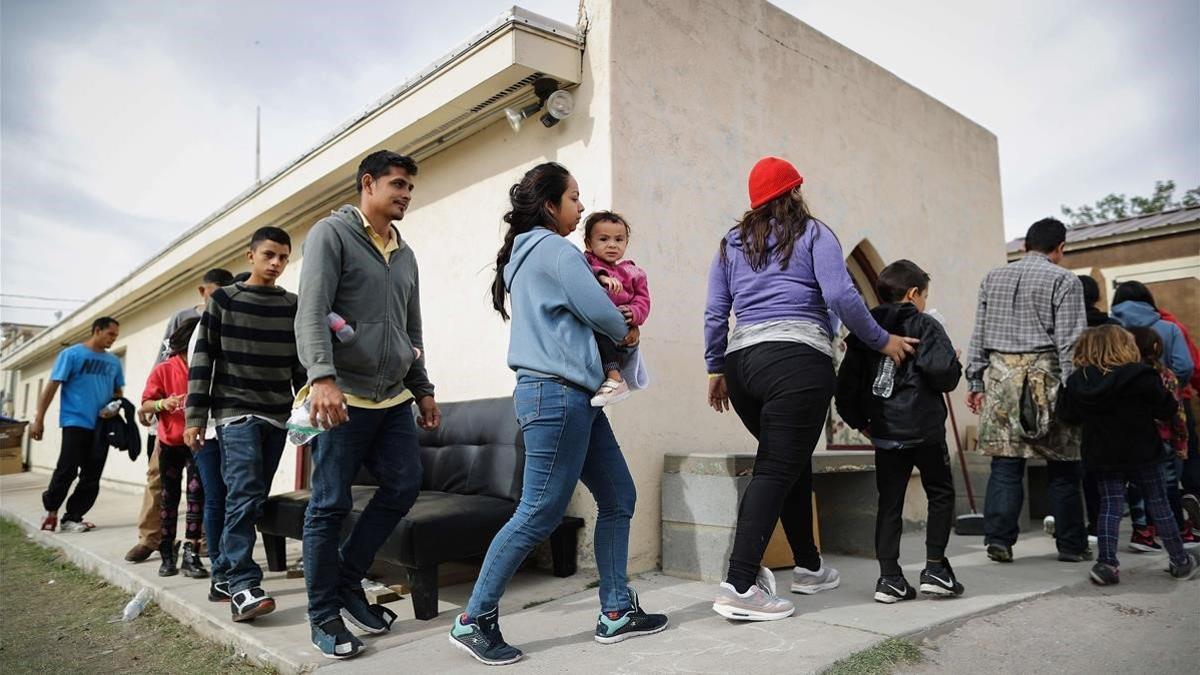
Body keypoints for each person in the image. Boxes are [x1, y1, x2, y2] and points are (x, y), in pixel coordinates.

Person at [448, 162, 666, 666]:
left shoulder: (524, 256)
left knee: (617, 496)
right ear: (550, 205)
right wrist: (627, 324)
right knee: (540, 511)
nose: (582, 206)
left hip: (574, 398)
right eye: (574, 197)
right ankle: (473, 619)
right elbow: (608, 315)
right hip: (556, 395)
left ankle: (615, 611)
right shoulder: (555, 251)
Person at [704, 156, 917, 621]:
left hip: (743, 367)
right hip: (796, 361)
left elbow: (716, 311)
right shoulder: (814, 233)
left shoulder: (730, 243)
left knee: (790, 462)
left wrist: (714, 368)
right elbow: (842, 295)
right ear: (794, 190)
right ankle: (739, 585)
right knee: (777, 468)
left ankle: (809, 566)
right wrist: (882, 340)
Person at [295, 151, 441, 660]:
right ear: (368, 183)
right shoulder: (330, 235)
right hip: (342, 395)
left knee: (403, 486)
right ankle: (323, 615)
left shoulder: (405, 253)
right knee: (329, 504)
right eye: (398, 184)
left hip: (393, 395)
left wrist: (422, 388)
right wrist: (322, 377)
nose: (405, 194)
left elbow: (411, 329)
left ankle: (348, 581)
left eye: (410, 188)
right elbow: (310, 311)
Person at [185, 227, 305, 622]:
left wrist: (306, 414)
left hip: (277, 414)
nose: (276, 264)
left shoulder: (292, 305)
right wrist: (195, 419)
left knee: (252, 497)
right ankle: (243, 585)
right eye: (269, 255)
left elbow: (299, 366)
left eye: (283, 257)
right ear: (250, 255)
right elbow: (203, 360)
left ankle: (221, 574)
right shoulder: (223, 300)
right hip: (235, 412)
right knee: (244, 492)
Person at [834, 260, 964, 603]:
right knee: (940, 494)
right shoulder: (925, 323)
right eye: (923, 295)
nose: (923, 301)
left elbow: (845, 386)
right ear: (912, 293)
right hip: (925, 429)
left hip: (886, 432)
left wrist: (860, 422)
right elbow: (942, 374)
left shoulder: (867, 328)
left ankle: (889, 577)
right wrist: (954, 362)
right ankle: (935, 568)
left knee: (889, 503)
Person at [965, 217, 1089, 564]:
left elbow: (979, 334)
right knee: (1063, 466)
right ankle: (1071, 545)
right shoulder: (1065, 280)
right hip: (1047, 377)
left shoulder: (993, 277)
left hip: (1001, 377)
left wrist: (975, 381)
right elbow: (1071, 343)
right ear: (1060, 249)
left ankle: (1000, 540)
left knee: (1005, 464)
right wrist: (1074, 391)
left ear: (1024, 246)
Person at [1056, 325, 1200, 584]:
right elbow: (1166, 409)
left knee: (1110, 506)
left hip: (1102, 454)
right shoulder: (1141, 375)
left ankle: (1107, 564)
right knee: (1159, 503)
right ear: (1125, 346)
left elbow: (1068, 415)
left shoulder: (1079, 379)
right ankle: (1180, 561)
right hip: (1143, 450)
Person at [126, 268, 233, 564]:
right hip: (172, 425)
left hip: (209, 424)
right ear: (203, 291)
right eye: (215, 292)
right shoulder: (184, 320)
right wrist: (151, 405)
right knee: (159, 480)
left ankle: (200, 542)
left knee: (206, 486)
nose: (219, 298)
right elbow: (163, 363)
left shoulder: (230, 316)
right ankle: (153, 538)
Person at [31, 317, 124, 533]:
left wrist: (115, 406)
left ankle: (73, 517)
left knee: (92, 475)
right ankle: (51, 511)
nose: (113, 339)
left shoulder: (113, 362)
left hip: (101, 426)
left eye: (116, 336)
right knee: (67, 469)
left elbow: (118, 392)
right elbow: (52, 387)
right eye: (110, 334)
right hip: (75, 421)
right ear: (97, 330)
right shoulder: (71, 355)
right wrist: (39, 419)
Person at [140, 317, 207, 578]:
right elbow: (145, 404)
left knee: (196, 498)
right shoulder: (164, 369)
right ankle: (167, 553)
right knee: (169, 499)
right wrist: (162, 404)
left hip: (199, 443)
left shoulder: (206, 368)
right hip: (170, 444)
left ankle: (191, 552)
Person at [1127, 327, 1196, 545]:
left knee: (1137, 484)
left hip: (1133, 439)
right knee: (1168, 484)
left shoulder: (1123, 376)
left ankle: (1142, 530)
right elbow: (1177, 412)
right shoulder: (1165, 376)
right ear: (1156, 348)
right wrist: (1182, 440)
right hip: (1162, 437)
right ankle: (1176, 528)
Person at [582, 210, 651, 407]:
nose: (612, 244)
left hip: (623, 333)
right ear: (589, 243)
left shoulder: (633, 272)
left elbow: (643, 301)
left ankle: (615, 379)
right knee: (600, 332)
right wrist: (602, 277)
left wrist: (635, 314)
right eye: (603, 239)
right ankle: (614, 377)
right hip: (599, 328)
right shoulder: (587, 262)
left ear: (626, 243)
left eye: (619, 239)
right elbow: (585, 270)